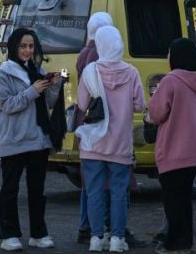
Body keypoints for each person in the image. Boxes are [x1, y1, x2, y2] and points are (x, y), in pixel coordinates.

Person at [76, 26, 145, 253]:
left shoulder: (89, 72)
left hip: (93, 143)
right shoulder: (132, 72)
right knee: (118, 192)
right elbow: (139, 105)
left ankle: (96, 239)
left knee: (95, 191)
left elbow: (83, 106)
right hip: (121, 143)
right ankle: (117, 239)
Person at [0, 28, 63, 251]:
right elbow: (7, 105)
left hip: (37, 139)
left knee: (37, 189)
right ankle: (9, 234)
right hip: (13, 139)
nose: (27, 51)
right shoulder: (3, 73)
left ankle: (39, 233)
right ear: (14, 47)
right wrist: (32, 91)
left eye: (31, 46)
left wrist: (54, 85)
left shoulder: (37, 69)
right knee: (10, 189)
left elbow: (48, 104)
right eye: (23, 46)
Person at [148, 38, 196, 254]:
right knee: (185, 200)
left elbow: (156, 114)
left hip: (174, 151)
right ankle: (186, 242)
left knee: (173, 201)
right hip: (195, 151)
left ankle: (174, 244)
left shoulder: (170, 81)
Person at [76, 12, 113, 244]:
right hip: (99, 123)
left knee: (89, 179)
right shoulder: (97, 54)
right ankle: (100, 227)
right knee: (104, 180)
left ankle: (85, 226)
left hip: (85, 120)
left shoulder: (83, 52)